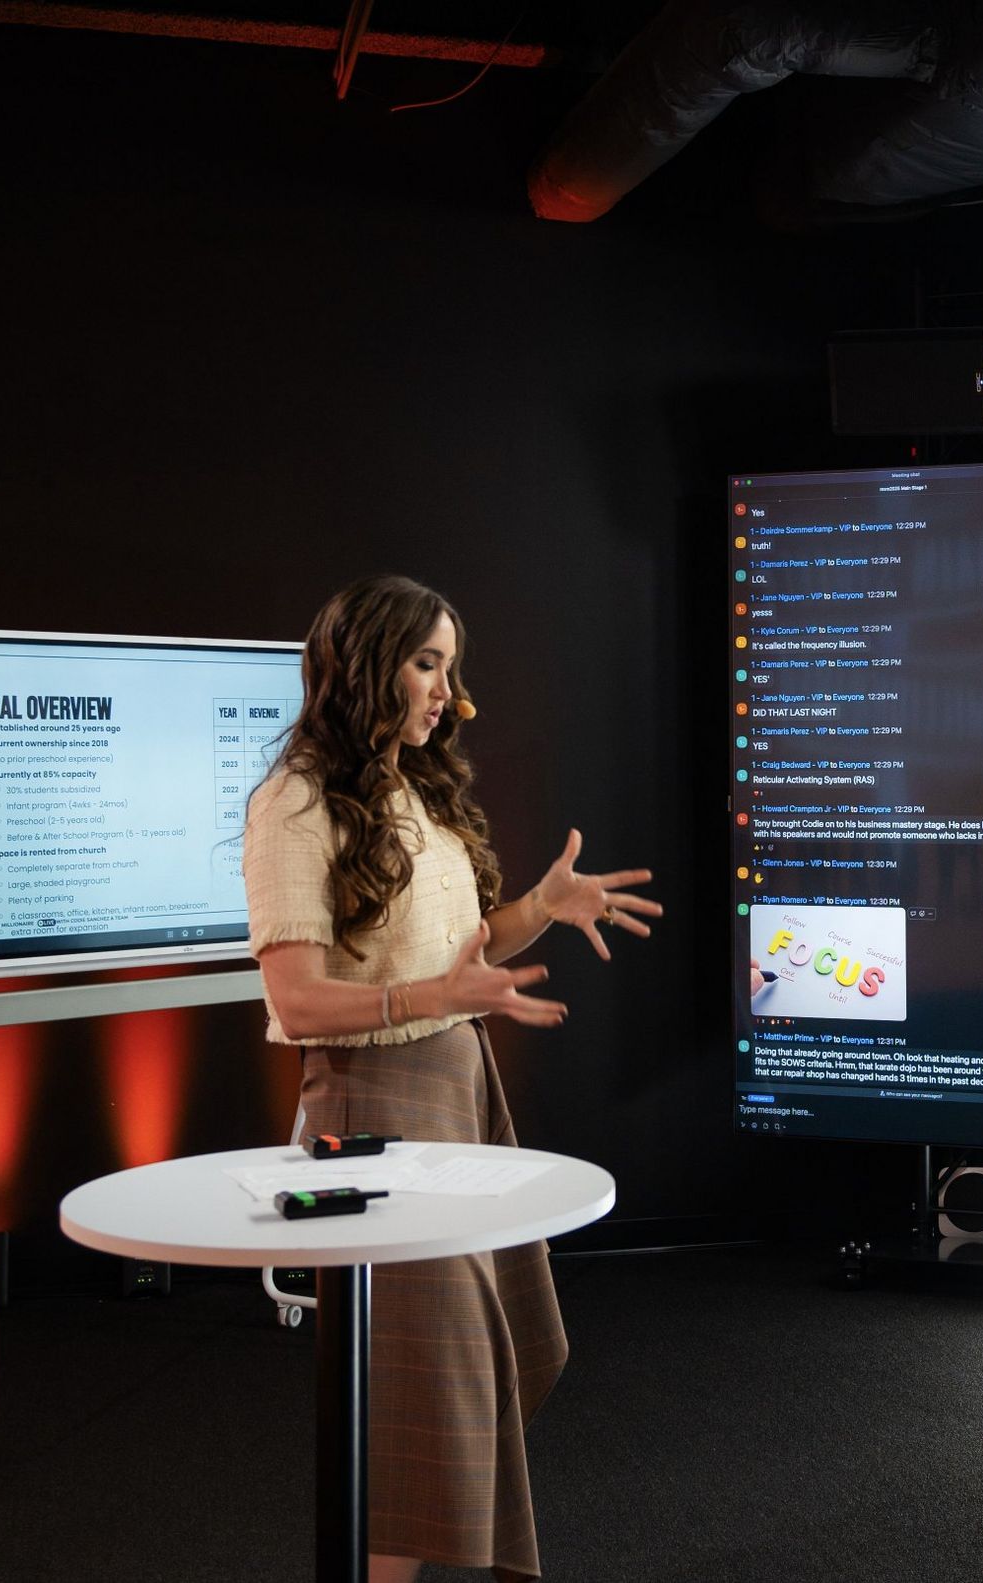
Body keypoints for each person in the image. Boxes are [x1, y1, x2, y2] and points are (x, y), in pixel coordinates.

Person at [243, 575, 662, 1583]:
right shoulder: (293, 802)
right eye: (427, 663)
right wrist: (431, 994)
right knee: (420, 1402)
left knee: (461, 1379)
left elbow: (453, 956)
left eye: (450, 667)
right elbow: (300, 1003)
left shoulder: (416, 789)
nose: (448, 691)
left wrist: (538, 908)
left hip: (455, 1089)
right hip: (361, 1112)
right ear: (366, 663)